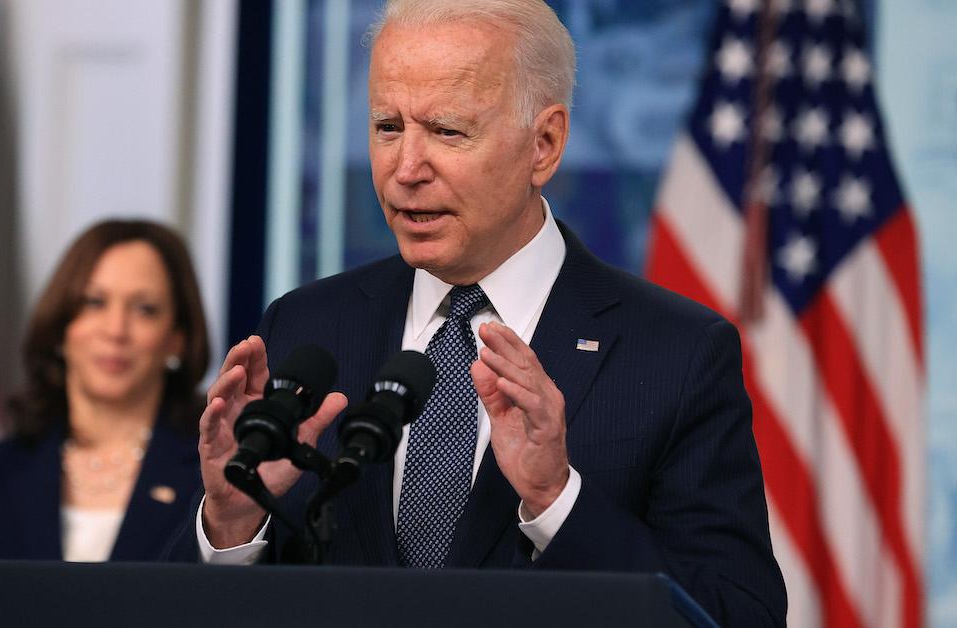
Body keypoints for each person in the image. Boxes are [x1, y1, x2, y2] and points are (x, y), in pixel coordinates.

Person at [171, 0, 789, 626]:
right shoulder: (307, 327)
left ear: (544, 144)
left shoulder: (675, 353)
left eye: (447, 131)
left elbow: (737, 616)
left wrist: (556, 501)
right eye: (388, 126)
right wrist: (230, 521)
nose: (405, 170)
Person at [0, 220, 210, 627]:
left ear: (177, 338)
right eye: (94, 302)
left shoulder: (213, 483)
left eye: (144, 309)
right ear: (60, 327)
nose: (115, 329)